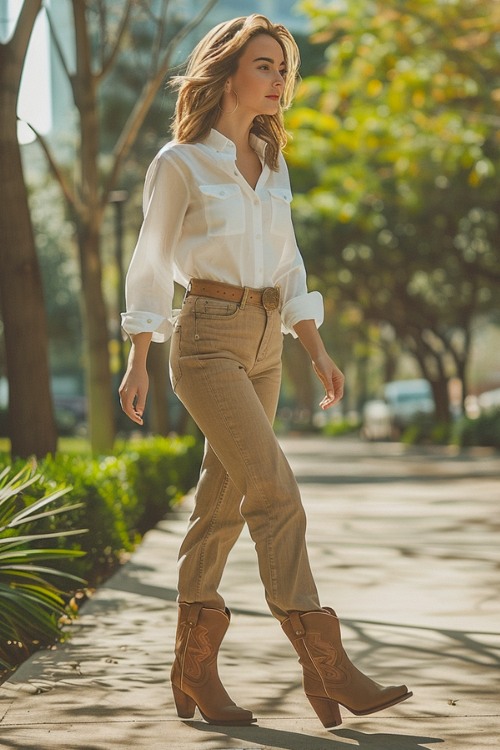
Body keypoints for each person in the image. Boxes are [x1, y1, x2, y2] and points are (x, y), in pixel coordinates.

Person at [119, 14, 412, 729]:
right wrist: (138, 359)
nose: (279, 81)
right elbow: (152, 265)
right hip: (207, 340)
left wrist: (315, 347)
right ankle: (327, 663)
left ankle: (193, 671)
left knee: (219, 510)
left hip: (266, 345)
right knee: (275, 493)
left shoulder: (271, 163)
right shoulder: (179, 163)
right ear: (227, 72)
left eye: (284, 68)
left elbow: (288, 263)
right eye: (264, 66)